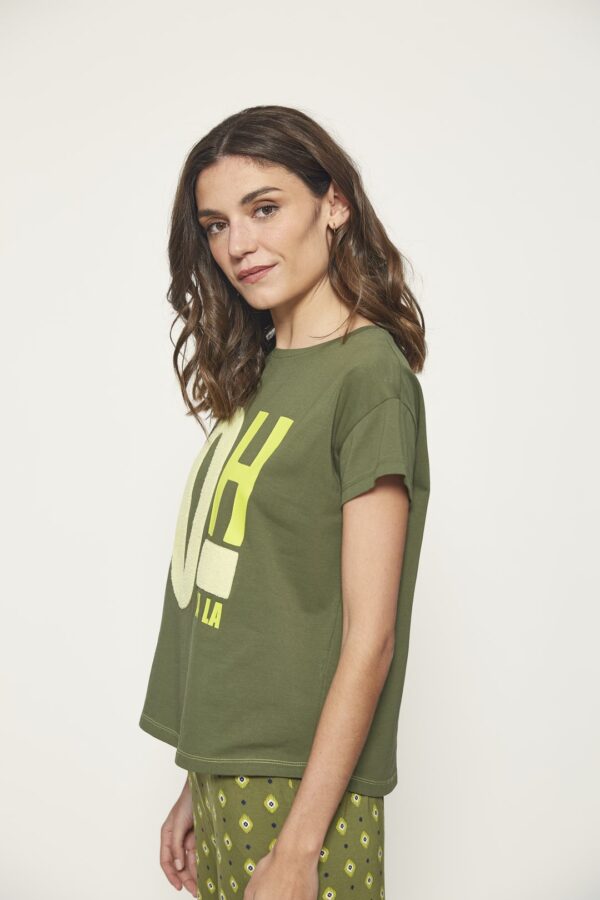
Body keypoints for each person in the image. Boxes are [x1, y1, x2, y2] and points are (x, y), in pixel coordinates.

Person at [138, 104, 430, 900]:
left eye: (264, 208)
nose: (238, 244)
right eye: (216, 224)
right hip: (231, 777)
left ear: (334, 204)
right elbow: (256, 601)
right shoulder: (261, 372)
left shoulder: (368, 376)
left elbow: (370, 638)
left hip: (305, 795)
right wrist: (198, 776)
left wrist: (299, 848)